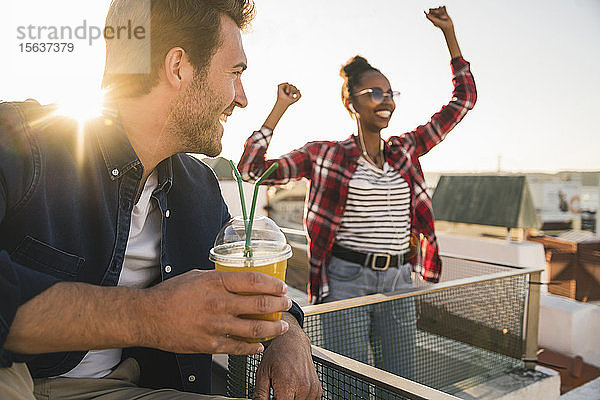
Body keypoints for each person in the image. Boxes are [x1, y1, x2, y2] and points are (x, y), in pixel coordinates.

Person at [0, 1, 321, 399]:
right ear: (178, 67)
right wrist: (150, 315)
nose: (242, 98)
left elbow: (242, 275)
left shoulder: (199, 188)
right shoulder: (17, 140)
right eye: (236, 73)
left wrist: (289, 334)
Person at [238, 6, 477, 380]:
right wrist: (279, 107)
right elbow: (252, 169)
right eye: (375, 93)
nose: (386, 100)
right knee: (348, 378)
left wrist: (449, 34)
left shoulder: (406, 149)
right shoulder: (326, 155)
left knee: (400, 379)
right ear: (351, 103)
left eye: (390, 92)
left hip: (399, 277)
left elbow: (463, 101)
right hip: (346, 280)